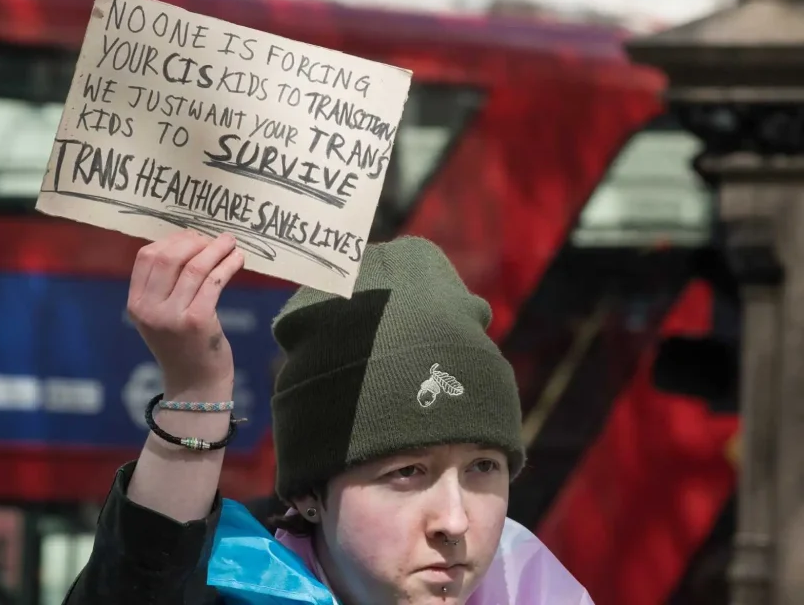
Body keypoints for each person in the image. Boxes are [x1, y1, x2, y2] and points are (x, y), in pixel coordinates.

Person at [63, 230, 593, 604]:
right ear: (307, 496)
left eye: (483, 467)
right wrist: (196, 390)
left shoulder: (542, 589)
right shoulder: (231, 587)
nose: (455, 522)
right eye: (406, 471)